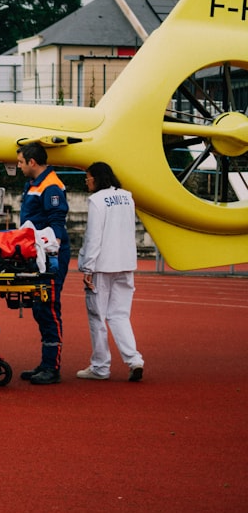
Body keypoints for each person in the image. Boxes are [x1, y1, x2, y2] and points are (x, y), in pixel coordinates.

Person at [76, 161, 145, 382]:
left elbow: (94, 235)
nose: (86, 181)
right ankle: (134, 359)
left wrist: (87, 266)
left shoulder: (97, 200)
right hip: (126, 263)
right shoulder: (127, 197)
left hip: (102, 265)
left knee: (97, 316)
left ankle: (100, 366)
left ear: (95, 178)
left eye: (87, 177)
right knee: (120, 315)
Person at [16, 142, 71, 385]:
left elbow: (57, 220)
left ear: (32, 162)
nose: (18, 167)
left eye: (20, 162)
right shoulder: (35, 185)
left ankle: (52, 366)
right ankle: (46, 363)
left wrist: (53, 255)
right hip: (37, 251)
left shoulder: (51, 186)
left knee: (48, 306)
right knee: (40, 307)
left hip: (49, 254)